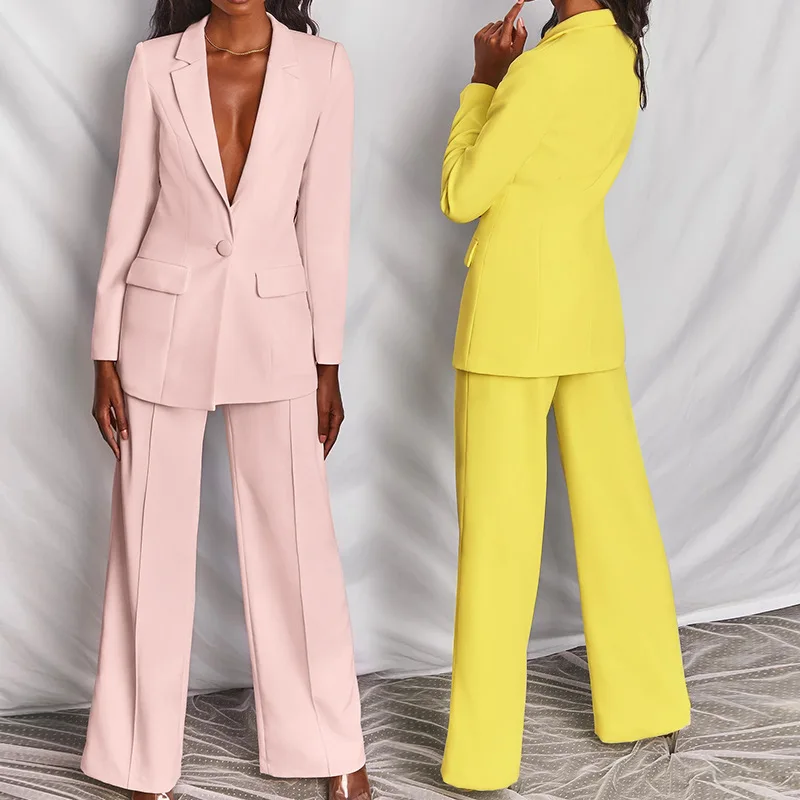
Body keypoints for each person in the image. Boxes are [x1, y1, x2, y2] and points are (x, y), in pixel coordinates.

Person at [83, 1, 370, 798]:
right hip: (160, 325)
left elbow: (325, 224)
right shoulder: (154, 66)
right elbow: (129, 207)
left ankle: (334, 748)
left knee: (298, 548)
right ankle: (140, 761)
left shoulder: (325, 68)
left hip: (276, 329)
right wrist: (103, 348)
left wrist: (328, 361)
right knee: (148, 547)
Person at [439, 0, 691, 790]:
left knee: (498, 545)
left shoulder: (542, 71)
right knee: (619, 522)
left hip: (512, 323)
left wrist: (483, 83)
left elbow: (462, 193)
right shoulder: (619, 55)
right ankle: (646, 703)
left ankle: (483, 759)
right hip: (587, 313)